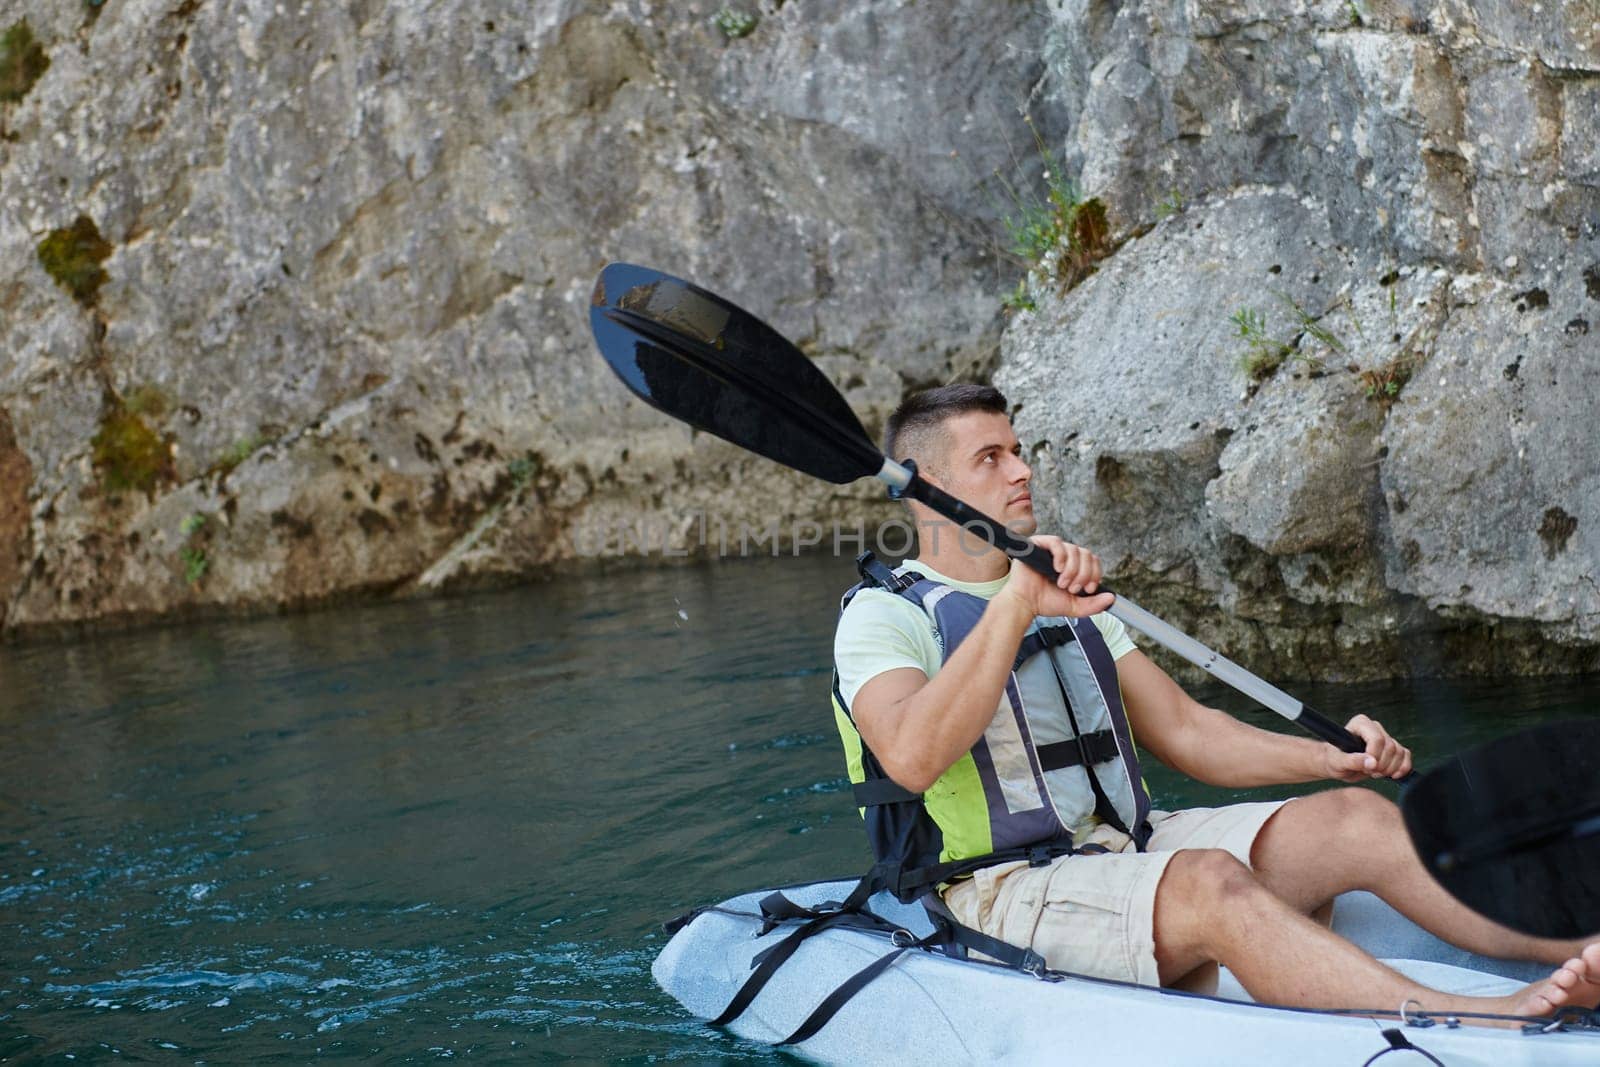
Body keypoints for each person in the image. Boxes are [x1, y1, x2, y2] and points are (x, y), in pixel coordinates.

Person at [831, 383, 1600, 1025]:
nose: (1022, 469)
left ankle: (1576, 944)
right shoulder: (883, 616)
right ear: (920, 481)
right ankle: (1480, 1014)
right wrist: (1016, 604)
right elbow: (912, 753)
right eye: (990, 457)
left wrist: (1327, 757)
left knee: (1355, 819)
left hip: (1126, 843)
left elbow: (1189, 731)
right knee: (1208, 880)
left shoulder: (1063, 600)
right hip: (996, 890)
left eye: (1017, 447)